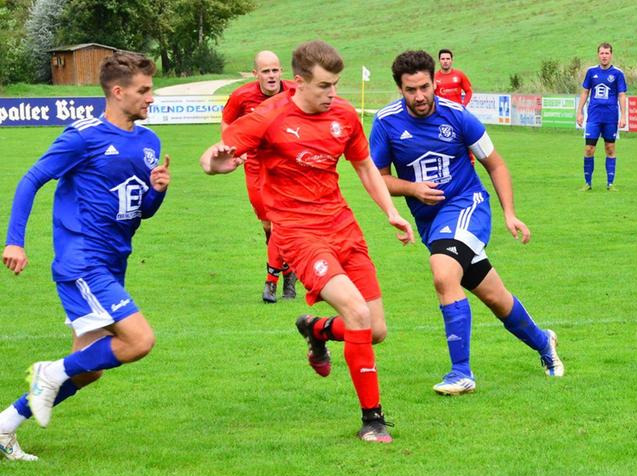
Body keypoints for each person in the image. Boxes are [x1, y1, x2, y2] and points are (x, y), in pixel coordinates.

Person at [199, 40, 414, 443]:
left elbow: (365, 165)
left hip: (343, 227)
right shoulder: (267, 116)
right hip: (298, 233)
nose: (333, 94)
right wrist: (216, 162)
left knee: (376, 329)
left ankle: (316, 330)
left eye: (336, 85)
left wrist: (391, 212)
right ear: (298, 82)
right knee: (357, 314)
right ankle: (373, 420)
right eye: (324, 86)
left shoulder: (345, 115)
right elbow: (212, 159)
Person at [0, 52, 170, 461]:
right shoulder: (83, 135)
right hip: (83, 261)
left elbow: (140, 211)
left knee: (89, 367)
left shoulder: (149, 141)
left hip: (113, 262)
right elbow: (32, 179)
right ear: (117, 91)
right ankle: (48, 372)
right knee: (140, 340)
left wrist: (157, 191)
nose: (152, 97)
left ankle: (5, 425)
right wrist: (14, 241)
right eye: (143, 90)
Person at [369, 50, 564, 396]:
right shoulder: (386, 123)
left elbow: (496, 165)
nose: (419, 97)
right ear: (400, 89)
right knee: (496, 298)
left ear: (434, 82)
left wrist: (509, 213)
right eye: (411, 90)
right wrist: (411, 188)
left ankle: (461, 372)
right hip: (433, 223)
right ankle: (544, 342)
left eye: (425, 87)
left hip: (468, 205)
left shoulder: (459, 116)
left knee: (443, 272)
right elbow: (377, 178)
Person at [222, 50, 299, 303]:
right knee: (268, 225)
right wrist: (235, 150)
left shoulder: (293, 92)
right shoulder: (242, 96)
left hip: (285, 166)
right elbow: (227, 123)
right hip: (255, 165)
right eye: (265, 71)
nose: (271, 75)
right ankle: (288, 269)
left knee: (280, 222)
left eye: (275, 70)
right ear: (255, 74)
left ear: (281, 71)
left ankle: (272, 282)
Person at [576, 42, 627, 191]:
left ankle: (610, 184)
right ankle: (587, 183)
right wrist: (579, 112)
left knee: (610, 148)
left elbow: (622, 95)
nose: (604, 56)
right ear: (598, 55)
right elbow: (585, 92)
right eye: (602, 53)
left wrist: (624, 116)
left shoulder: (618, 74)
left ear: (611, 55)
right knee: (589, 149)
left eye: (607, 53)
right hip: (594, 117)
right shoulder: (591, 72)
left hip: (610, 117)